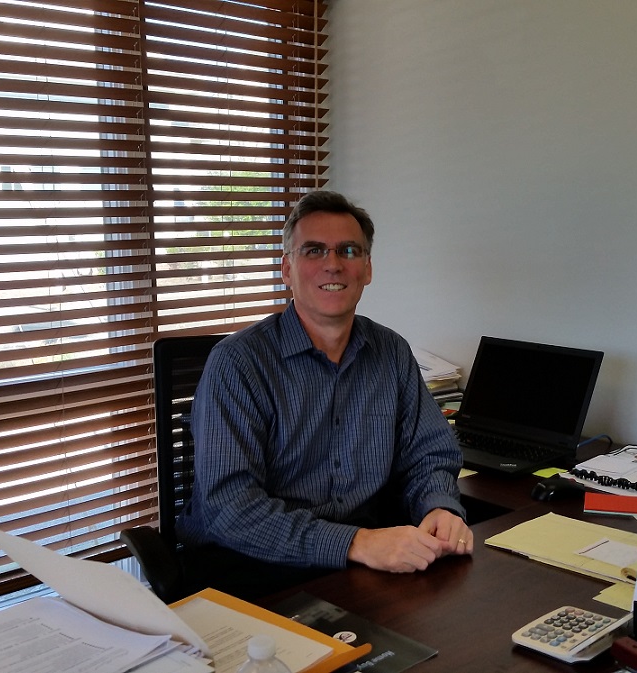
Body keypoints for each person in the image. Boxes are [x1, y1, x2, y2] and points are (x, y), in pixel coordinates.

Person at [176, 190, 472, 598]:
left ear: (367, 268)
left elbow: (429, 453)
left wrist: (439, 505)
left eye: (348, 250)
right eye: (314, 250)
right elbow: (230, 509)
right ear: (287, 269)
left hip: (360, 562)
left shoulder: (391, 353)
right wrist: (356, 543)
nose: (333, 264)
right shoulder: (238, 363)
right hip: (251, 564)